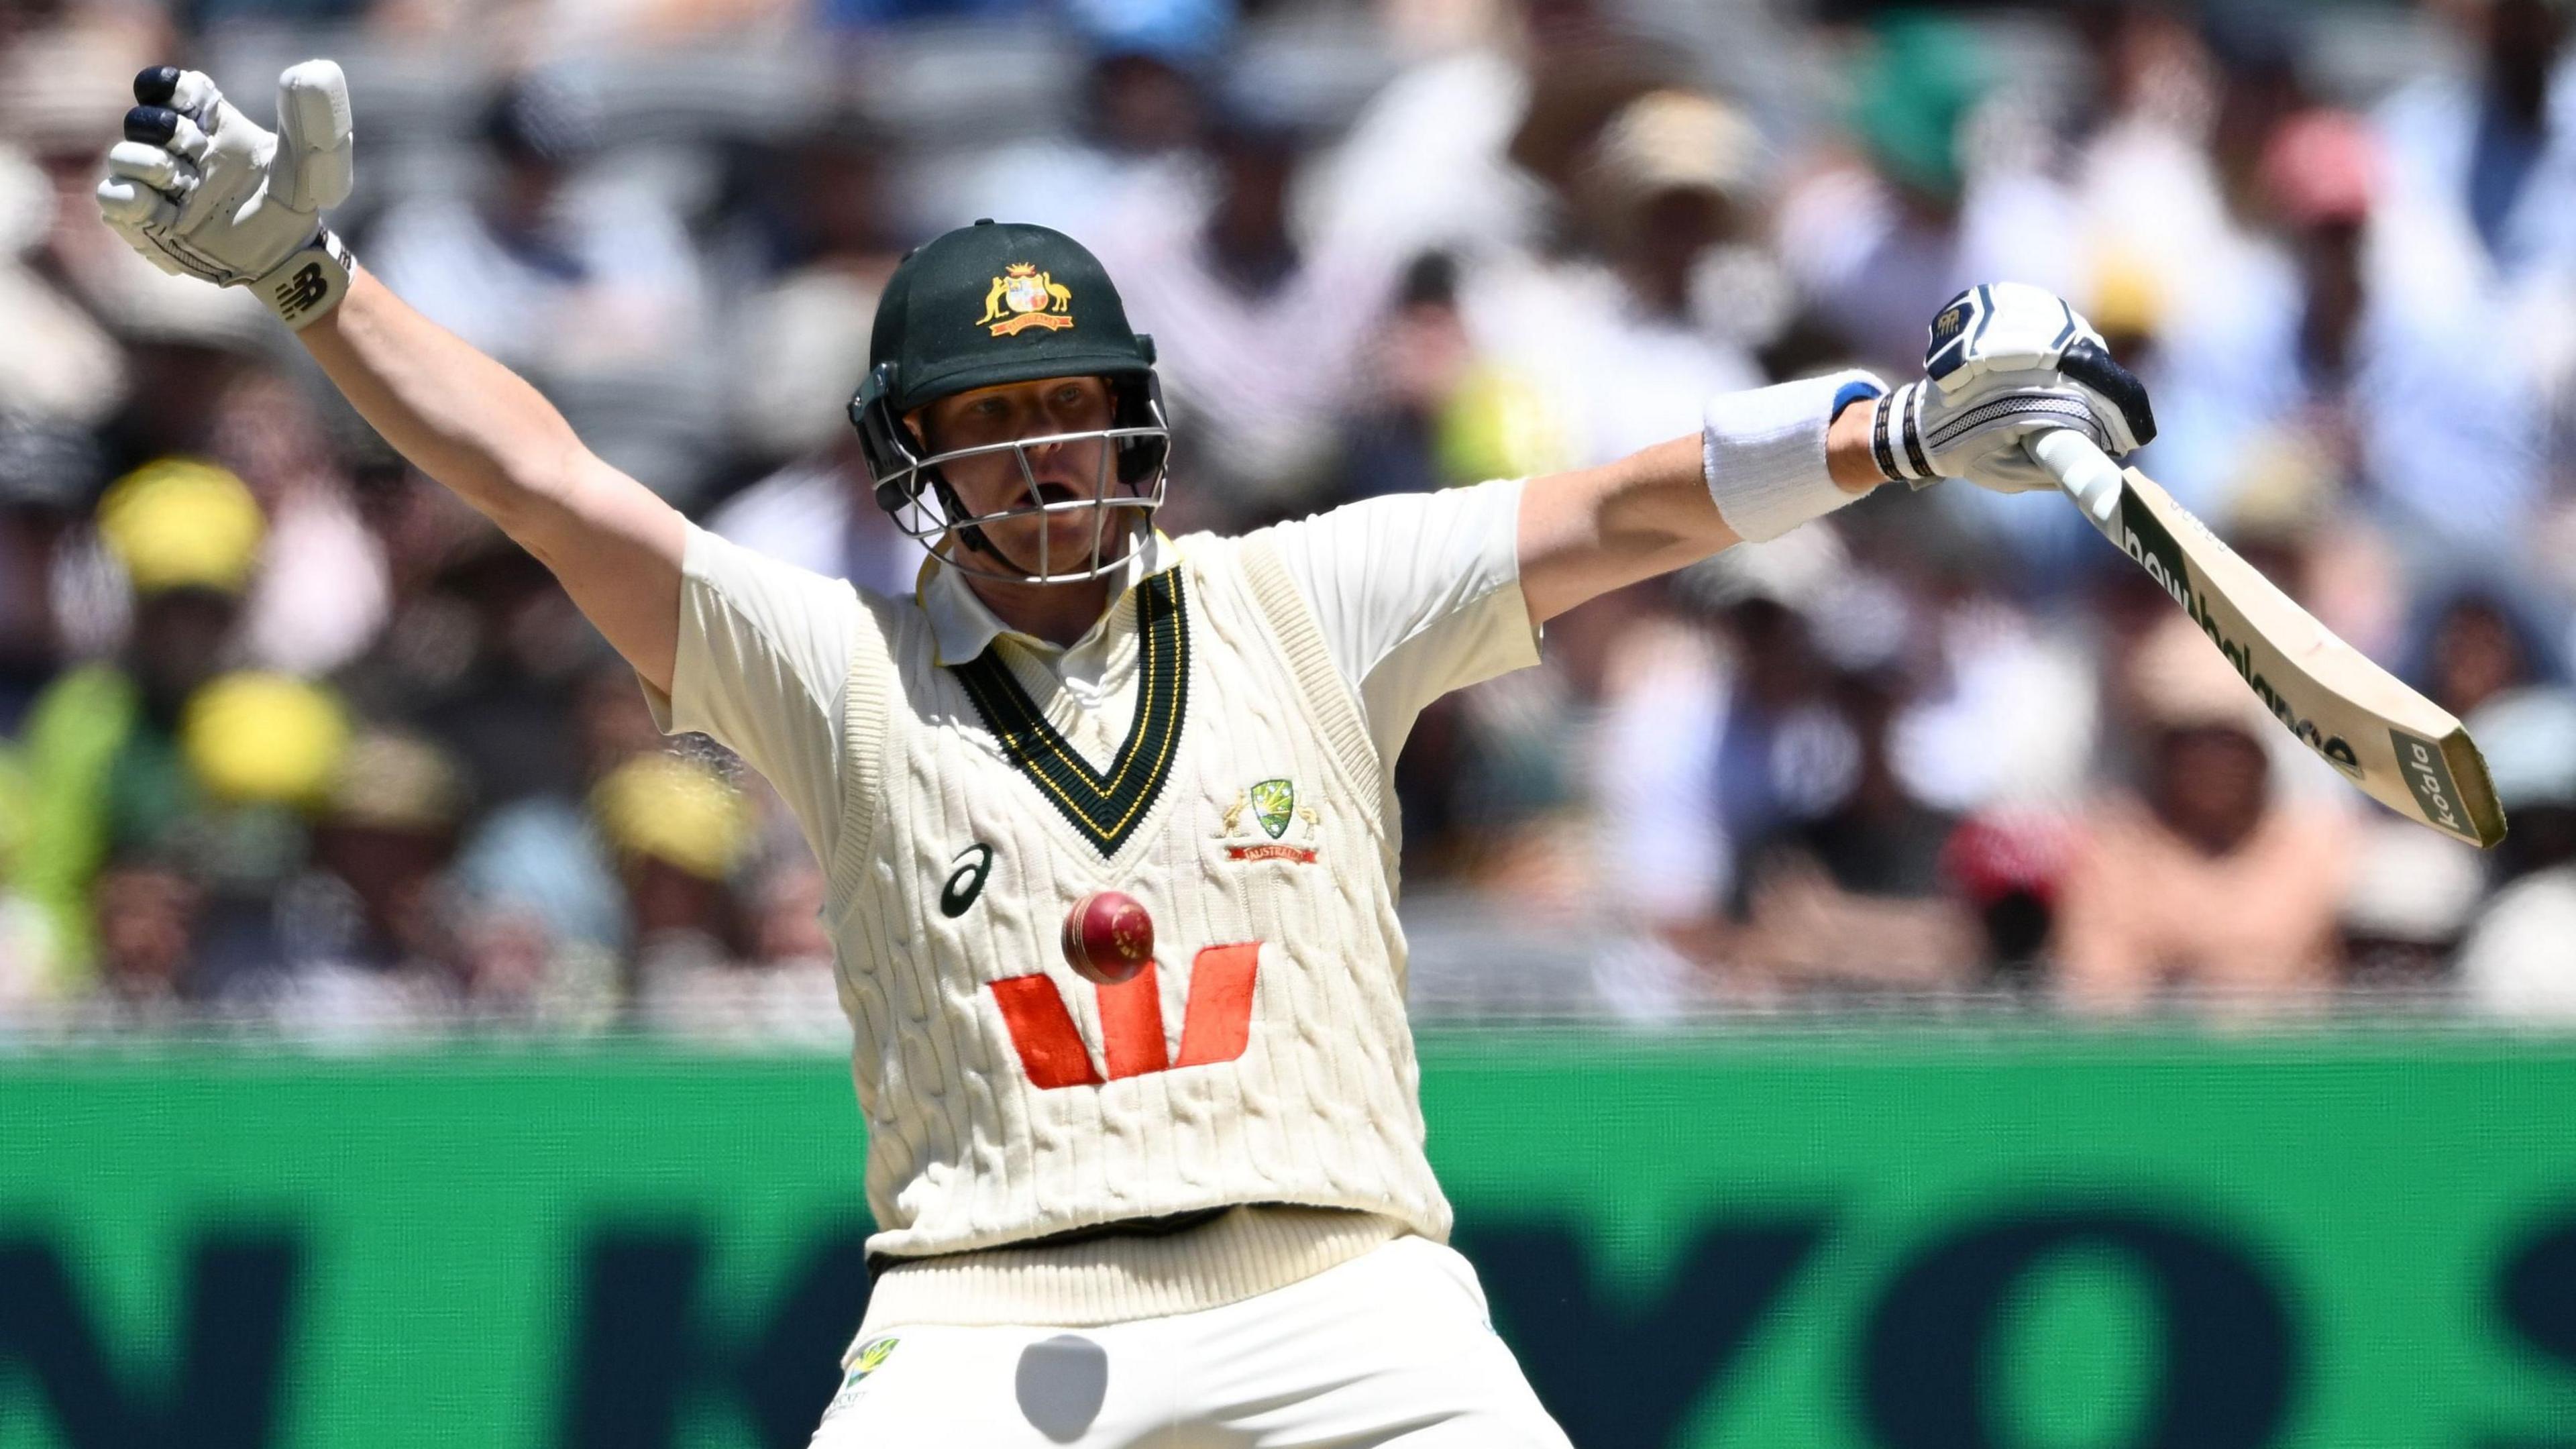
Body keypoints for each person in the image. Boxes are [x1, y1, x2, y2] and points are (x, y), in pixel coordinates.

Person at [93, 62, 2152, 1445]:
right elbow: (549, 485)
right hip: (981, 1314)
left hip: (1345, 1287)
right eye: (994, 424)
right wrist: (312, 283)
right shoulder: (835, 670)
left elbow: (1623, 509)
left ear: (1137, 418)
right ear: (914, 461)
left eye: (1074, 407)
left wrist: (1895, 432)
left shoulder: (1308, 599)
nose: (1049, 457)